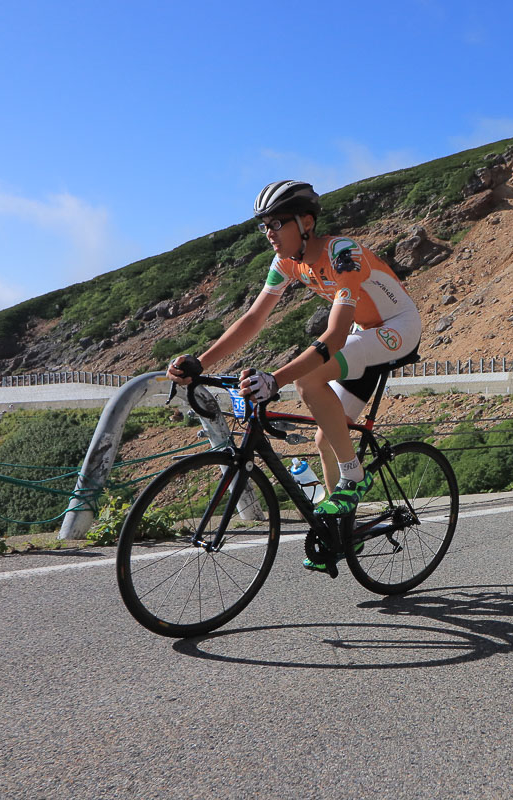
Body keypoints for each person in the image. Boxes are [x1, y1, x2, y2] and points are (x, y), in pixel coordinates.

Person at [166, 180, 422, 566]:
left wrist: (276, 380)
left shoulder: (342, 253)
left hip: (397, 328)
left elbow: (334, 336)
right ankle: (343, 534)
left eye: (276, 223)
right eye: (264, 226)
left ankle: (353, 479)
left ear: (305, 222)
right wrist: (201, 360)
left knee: (307, 379)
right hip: (363, 333)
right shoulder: (286, 261)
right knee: (325, 439)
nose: (269, 233)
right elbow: (254, 318)